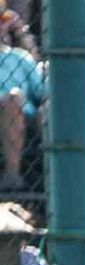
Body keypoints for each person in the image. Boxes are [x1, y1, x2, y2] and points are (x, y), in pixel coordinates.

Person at [0, 20, 45, 191]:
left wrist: (23, 35)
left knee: (15, 99)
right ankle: (12, 174)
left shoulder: (18, 56)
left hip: (24, 115)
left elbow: (42, 90)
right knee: (12, 99)